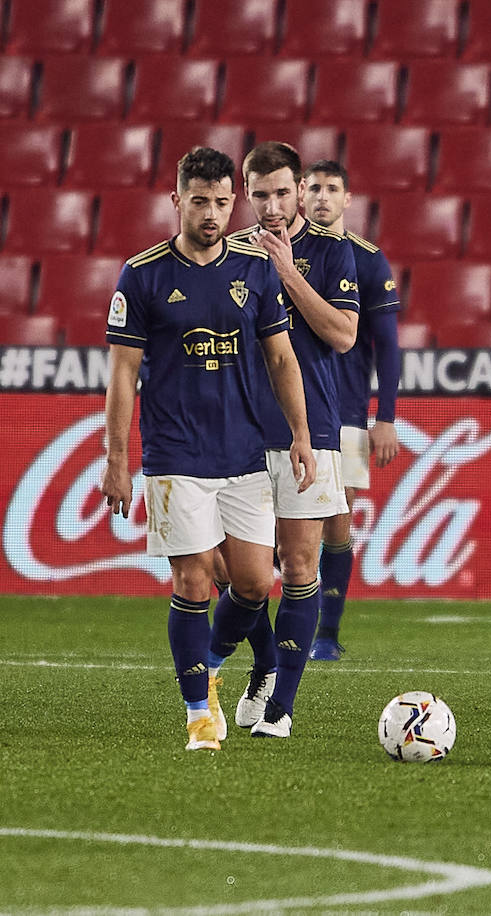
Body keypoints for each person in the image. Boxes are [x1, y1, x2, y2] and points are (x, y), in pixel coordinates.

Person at [101, 146, 315, 752]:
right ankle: (199, 712)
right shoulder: (142, 275)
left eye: (224, 202)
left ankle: (212, 665)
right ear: (177, 201)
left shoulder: (253, 270)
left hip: (244, 454)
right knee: (193, 582)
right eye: (201, 202)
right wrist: (115, 459)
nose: (214, 214)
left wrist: (299, 434)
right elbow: (122, 376)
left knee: (253, 585)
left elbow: (280, 357)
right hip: (175, 457)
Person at [206, 141, 360, 739]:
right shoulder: (224, 256)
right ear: (245, 193)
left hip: (311, 429)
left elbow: (343, 335)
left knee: (299, 566)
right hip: (238, 432)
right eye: (260, 194)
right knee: (235, 575)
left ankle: (280, 707)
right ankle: (265, 664)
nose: (271, 206)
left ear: (302, 190)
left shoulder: (333, 252)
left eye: (282, 192)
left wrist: (285, 268)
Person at [300, 159, 402, 662]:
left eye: (332, 188)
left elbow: (388, 347)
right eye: (314, 187)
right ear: (301, 194)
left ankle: (325, 633)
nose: (322, 196)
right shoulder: (279, 255)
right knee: (285, 532)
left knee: (336, 523)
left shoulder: (368, 260)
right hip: (283, 415)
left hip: (347, 417)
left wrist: (386, 416)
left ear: (347, 199)